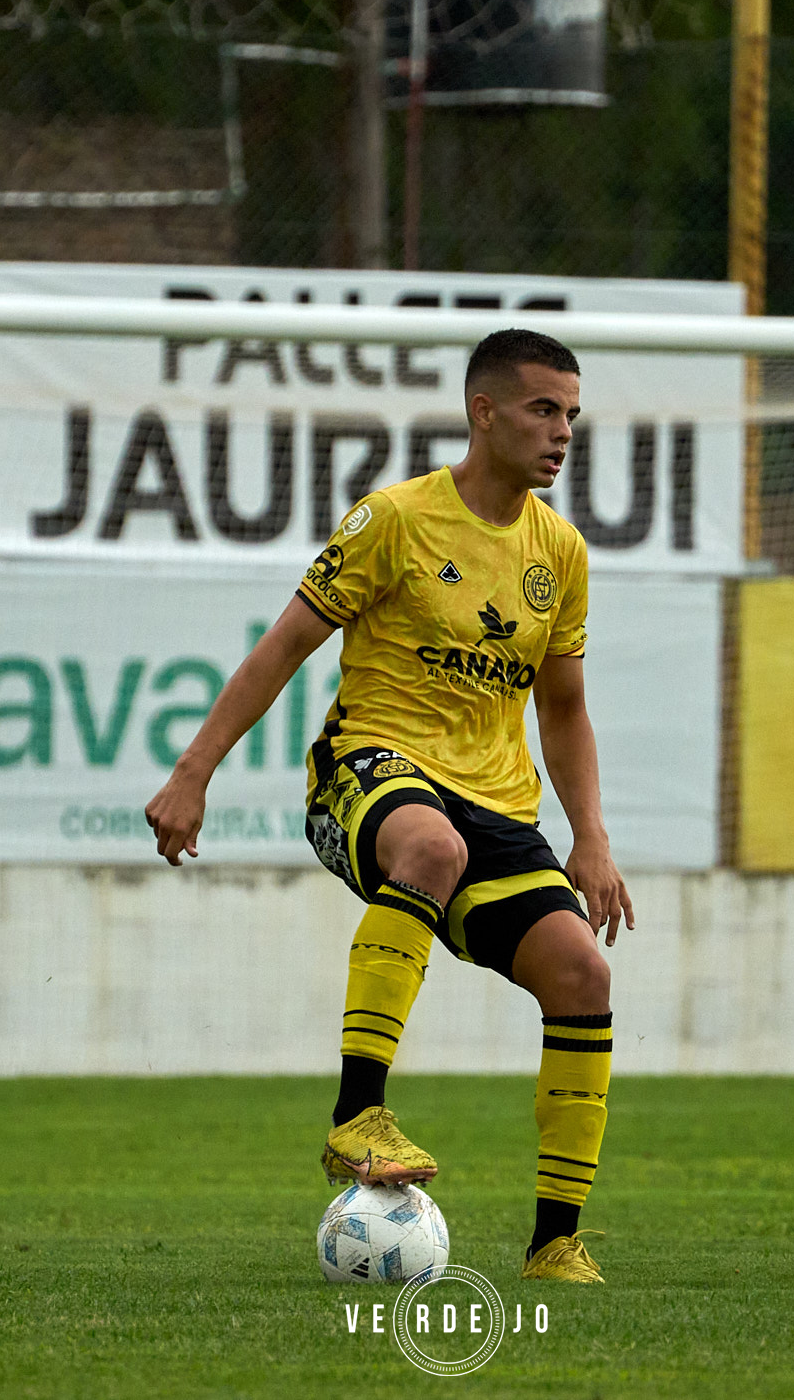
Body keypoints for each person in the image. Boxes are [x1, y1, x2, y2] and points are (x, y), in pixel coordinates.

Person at [144, 328, 633, 1283]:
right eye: (543, 409)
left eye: (571, 413)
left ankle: (554, 1243)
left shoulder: (560, 554)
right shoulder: (394, 521)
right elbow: (282, 646)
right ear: (482, 413)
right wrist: (193, 771)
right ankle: (354, 1115)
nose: (562, 431)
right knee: (432, 848)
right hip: (369, 770)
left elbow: (564, 709)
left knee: (584, 975)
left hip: (497, 802)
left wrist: (593, 839)